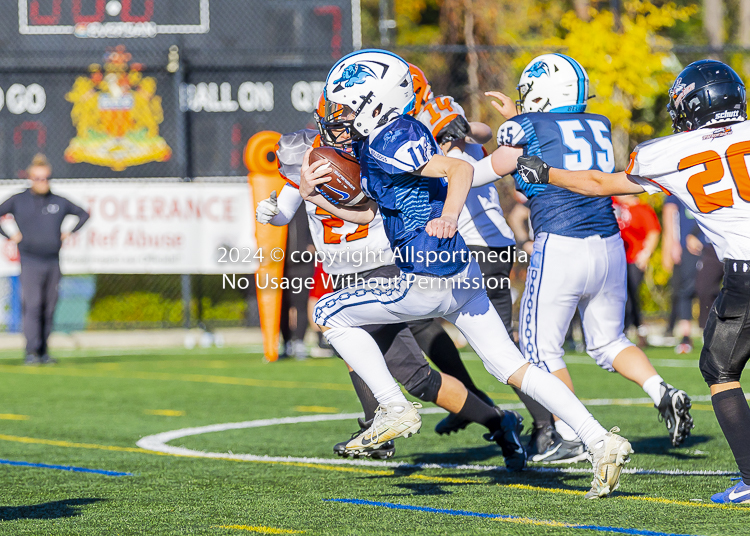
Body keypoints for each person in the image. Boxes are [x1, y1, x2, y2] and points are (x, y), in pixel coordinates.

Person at [304, 49, 633, 499]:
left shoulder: (390, 138)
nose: (335, 117)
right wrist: (315, 198)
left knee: (329, 311)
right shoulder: (387, 138)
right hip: (462, 277)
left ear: (375, 104)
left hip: (430, 274)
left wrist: (448, 215)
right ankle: (599, 440)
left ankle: (392, 406)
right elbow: (366, 217)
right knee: (514, 368)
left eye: (344, 108)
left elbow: (458, 169)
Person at [514, 59, 750, 504]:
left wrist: (547, 174)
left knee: (720, 370)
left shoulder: (669, 153)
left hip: (745, 275)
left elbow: (603, 182)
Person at [256, 93, 526, 470]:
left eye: (345, 119)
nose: (340, 128)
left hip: (382, 267)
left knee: (414, 376)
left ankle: (497, 421)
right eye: (334, 120)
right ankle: (379, 425)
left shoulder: (371, 152)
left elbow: (381, 205)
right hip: (343, 274)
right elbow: (284, 210)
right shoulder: (308, 157)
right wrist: (271, 211)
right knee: (358, 352)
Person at [482, 53, 693, 451]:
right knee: (608, 341)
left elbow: (513, 148)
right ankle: (660, 390)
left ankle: (570, 435)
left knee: (539, 350)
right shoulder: (599, 123)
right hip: (609, 246)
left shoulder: (525, 123)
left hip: (560, 244)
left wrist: (513, 117)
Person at [0, 154, 90, 365]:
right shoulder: (19, 200)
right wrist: (10, 236)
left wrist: (70, 232)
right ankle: (31, 352)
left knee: (49, 306)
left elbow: (84, 214)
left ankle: (44, 352)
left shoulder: (58, 201)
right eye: (38, 178)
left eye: (46, 178)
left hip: (52, 261)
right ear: (31, 178)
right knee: (33, 305)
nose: (43, 182)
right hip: (31, 261)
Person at [612, 195, 661, 347]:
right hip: (615, 257)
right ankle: (623, 329)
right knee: (618, 295)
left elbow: (653, 231)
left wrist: (646, 254)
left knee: (631, 295)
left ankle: (634, 329)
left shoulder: (642, 209)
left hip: (633, 258)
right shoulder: (612, 202)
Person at [662, 196, 702, 353]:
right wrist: (671, 244)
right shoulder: (677, 182)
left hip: (712, 244)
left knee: (711, 290)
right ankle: (686, 336)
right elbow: (669, 213)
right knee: (686, 290)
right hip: (687, 247)